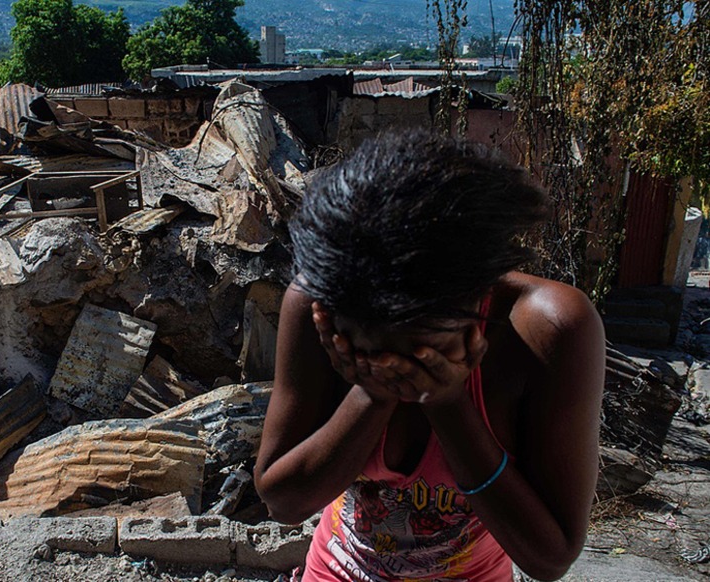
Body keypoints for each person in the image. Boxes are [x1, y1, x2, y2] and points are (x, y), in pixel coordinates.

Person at [254, 129, 606, 582]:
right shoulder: (323, 300)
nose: (393, 365)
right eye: (368, 348)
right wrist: (372, 392)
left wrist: (447, 401)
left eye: (416, 349)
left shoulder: (549, 328)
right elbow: (282, 502)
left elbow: (550, 558)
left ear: (476, 298)